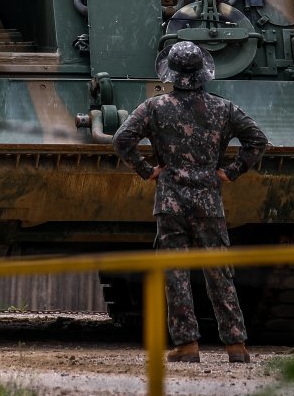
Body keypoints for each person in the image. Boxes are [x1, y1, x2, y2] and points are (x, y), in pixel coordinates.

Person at [113, 41, 268, 364]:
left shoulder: (154, 108)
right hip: (209, 199)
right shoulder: (223, 109)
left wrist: (146, 170)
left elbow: (122, 139)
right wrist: (232, 171)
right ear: (203, 73)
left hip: (170, 201)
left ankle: (187, 345)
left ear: (170, 73)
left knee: (175, 273)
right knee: (219, 272)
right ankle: (236, 344)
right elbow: (257, 139)